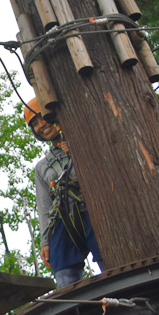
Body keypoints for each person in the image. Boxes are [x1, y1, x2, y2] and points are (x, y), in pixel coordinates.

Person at [25, 98, 101, 288]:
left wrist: (76, 152)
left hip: (93, 208)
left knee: (106, 254)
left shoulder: (84, 141)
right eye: (35, 123)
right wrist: (45, 242)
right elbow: (44, 207)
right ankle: (76, 308)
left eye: (42, 117)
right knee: (62, 264)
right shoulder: (43, 167)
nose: (41, 125)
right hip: (64, 218)